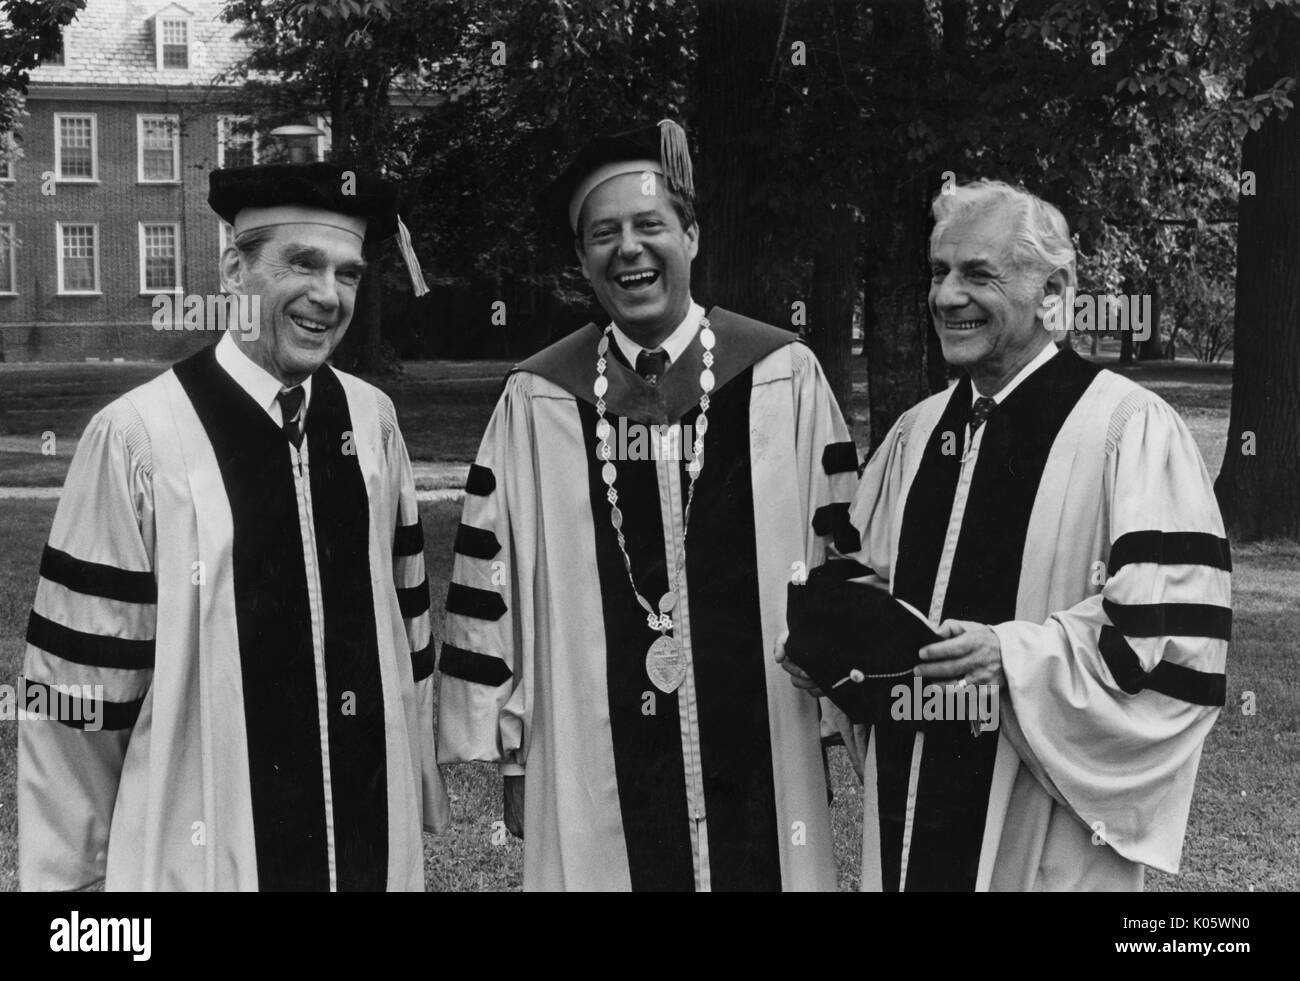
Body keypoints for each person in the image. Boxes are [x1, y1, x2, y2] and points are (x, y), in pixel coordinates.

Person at [436, 121, 858, 891]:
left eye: (650, 226)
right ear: (582, 261)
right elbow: (488, 590)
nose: (627, 249)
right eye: (604, 235)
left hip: (764, 736)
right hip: (590, 751)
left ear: (690, 237)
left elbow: (839, 557)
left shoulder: (783, 378)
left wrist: (835, 717)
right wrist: (510, 745)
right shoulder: (538, 399)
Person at [782, 179, 1230, 891]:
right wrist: (830, 650)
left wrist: (1010, 656)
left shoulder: (1129, 431)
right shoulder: (917, 432)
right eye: (938, 272)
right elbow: (869, 586)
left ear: (1053, 292)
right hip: (911, 793)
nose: (947, 296)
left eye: (977, 274)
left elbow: (1171, 638)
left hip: (1039, 817)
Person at [19, 162, 449, 891]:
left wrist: (415, 790)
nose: (326, 295)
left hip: (367, 849)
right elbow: (74, 694)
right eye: (302, 264)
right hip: (205, 860)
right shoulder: (136, 440)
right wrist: (74, 892)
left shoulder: (373, 424)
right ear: (232, 268)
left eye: (347, 274)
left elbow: (407, 643)